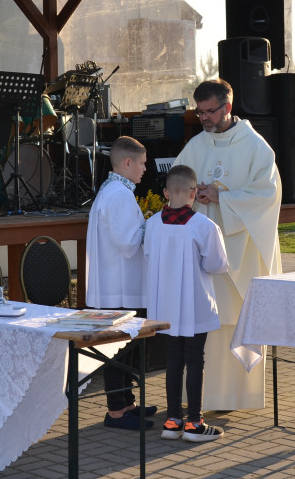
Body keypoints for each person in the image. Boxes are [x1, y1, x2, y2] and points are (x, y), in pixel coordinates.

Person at [174, 79, 282, 411]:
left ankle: (237, 397)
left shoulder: (256, 147)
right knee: (205, 320)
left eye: (210, 111)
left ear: (228, 107)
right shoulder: (195, 145)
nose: (204, 118)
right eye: (199, 111)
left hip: (241, 252)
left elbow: (268, 195)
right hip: (205, 252)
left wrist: (224, 198)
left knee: (235, 317)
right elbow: (176, 185)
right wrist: (193, 194)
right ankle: (200, 398)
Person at [144, 164, 229, 442]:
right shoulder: (205, 226)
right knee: (194, 361)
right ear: (194, 193)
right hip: (194, 304)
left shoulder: (153, 223)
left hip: (164, 306)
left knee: (172, 361)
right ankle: (194, 423)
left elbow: (148, 256)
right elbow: (217, 265)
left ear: (166, 192)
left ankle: (172, 421)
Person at [86, 135, 157, 429]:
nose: (144, 169)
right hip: (120, 285)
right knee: (119, 348)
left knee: (126, 345)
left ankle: (127, 402)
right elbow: (128, 243)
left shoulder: (114, 190)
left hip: (118, 282)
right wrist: (154, 223)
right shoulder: (119, 195)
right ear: (126, 163)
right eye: (141, 163)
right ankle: (116, 410)